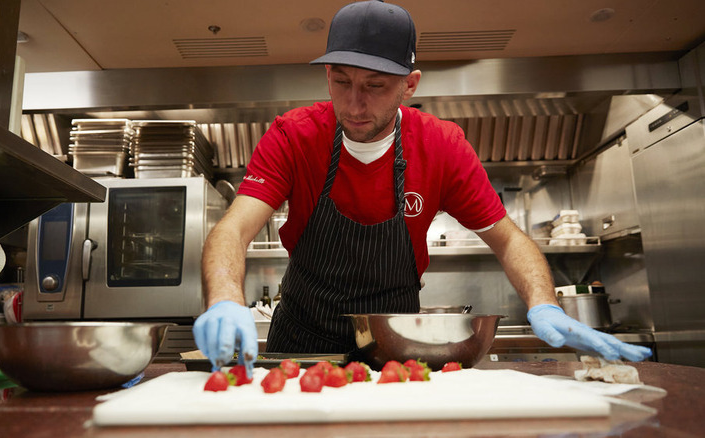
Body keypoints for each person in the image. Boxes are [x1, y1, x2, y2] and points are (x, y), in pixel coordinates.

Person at [193, 0, 652, 374]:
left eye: (375, 85)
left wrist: (545, 304)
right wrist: (226, 299)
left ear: (409, 85)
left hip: (396, 339)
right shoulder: (294, 135)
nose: (354, 103)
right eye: (342, 81)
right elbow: (231, 230)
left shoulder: (441, 145)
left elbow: (508, 239)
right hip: (301, 338)